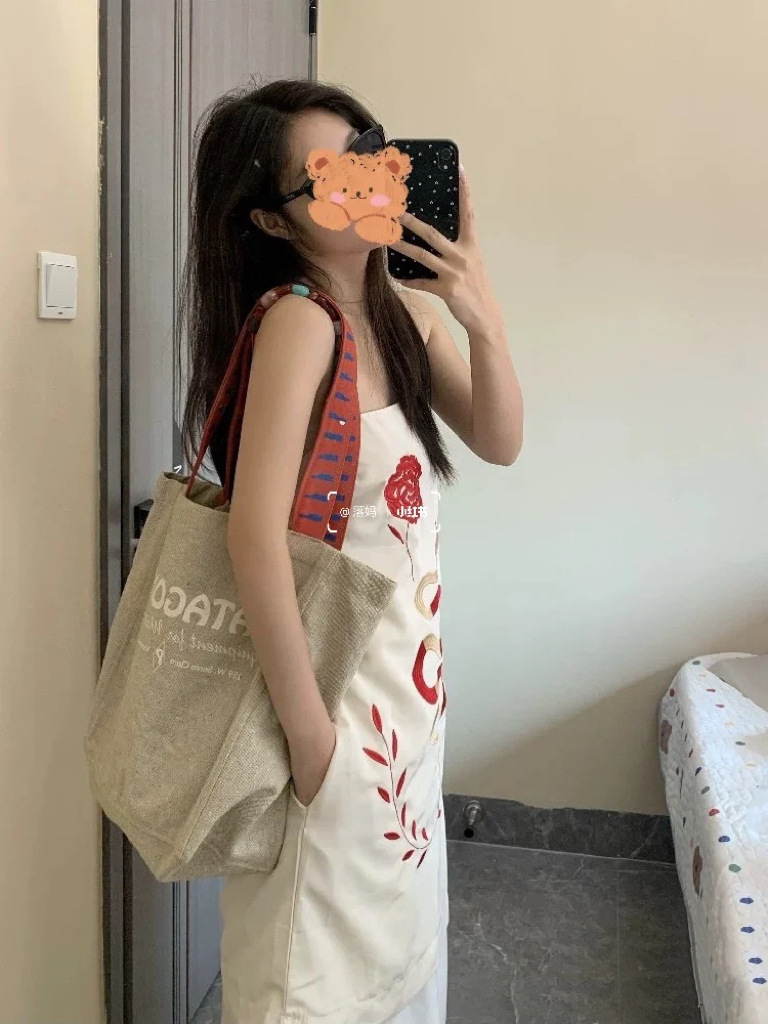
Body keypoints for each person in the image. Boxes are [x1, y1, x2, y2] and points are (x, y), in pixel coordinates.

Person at [175, 77, 523, 1024]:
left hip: (405, 707)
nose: (369, 181)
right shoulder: (300, 323)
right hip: (333, 712)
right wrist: (312, 742)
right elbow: (254, 539)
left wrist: (479, 309)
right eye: (332, 176)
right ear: (273, 220)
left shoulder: (403, 319)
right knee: (315, 980)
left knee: (396, 961)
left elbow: (500, 439)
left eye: (370, 154)